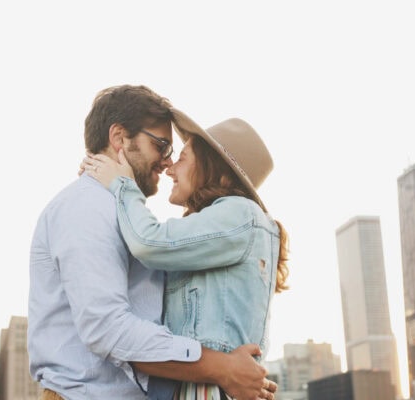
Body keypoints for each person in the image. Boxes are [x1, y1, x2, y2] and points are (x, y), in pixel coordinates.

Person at [28, 84, 277, 400]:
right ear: (119, 138)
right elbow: (108, 330)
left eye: (175, 153)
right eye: (161, 145)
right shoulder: (87, 207)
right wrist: (223, 367)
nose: (166, 162)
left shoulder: (130, 214)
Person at [82, 108, 289, 399]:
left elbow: (148, 242)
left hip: (211, 390)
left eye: (182, 158)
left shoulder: (240, 214)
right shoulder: (213, 229)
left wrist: (121, 183)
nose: (170, 168)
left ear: (212, 168)